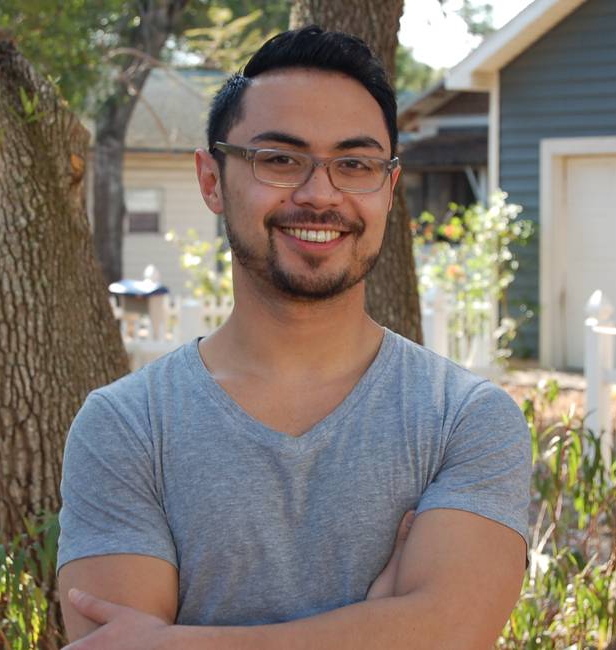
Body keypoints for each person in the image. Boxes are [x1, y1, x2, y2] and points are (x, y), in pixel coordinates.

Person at [56, 25, 531, 649]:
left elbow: (453, 632)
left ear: (389, 190)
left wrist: (179, 641)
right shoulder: (127, 427)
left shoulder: (465, 420)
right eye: (279, 160)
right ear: (211, 180)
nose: (319, 194)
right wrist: (384, 627)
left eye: (354, 165)